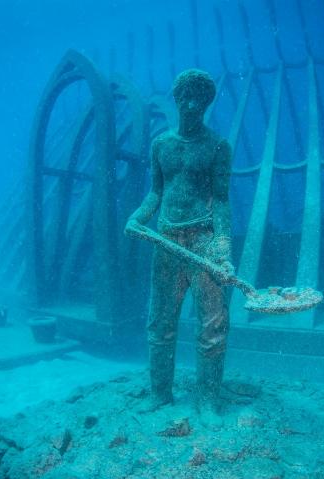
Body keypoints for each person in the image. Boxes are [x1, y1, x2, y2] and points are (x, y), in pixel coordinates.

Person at [125, 69, 233, 423]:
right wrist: (138, 216)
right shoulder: (161, 145)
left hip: (203, 242)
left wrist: (222, 247)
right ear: (175, 100)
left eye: (198, 99)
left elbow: (220, 201)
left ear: (207, 103)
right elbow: (157, 191)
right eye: (184, 97)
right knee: (160, 322)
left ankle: (208, 400)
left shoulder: (217, 147)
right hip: (167, 241)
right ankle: (160, 393)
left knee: (213, 325)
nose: (190, 105)